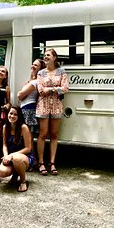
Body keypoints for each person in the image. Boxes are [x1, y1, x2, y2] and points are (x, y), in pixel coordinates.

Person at [36, 48, 69, 176]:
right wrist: (56, 89)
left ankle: (52, 162)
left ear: (54, 58)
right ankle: (41, 162)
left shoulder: (61, 71)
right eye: (44, 55)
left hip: (56, 105)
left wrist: (50, 89)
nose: (45, 57)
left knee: (54, 134)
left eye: (48, 55)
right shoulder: (41, 73)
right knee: (43, 134)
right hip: (43, 105)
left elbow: (65, 88)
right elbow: (40, 90)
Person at [0, 106, 34, 192]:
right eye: (10, 113)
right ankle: (15, 175)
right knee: (2, 172)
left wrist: (11, 155)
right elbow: (5, 145)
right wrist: (6, 156)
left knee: (17, 158)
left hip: (25, 157)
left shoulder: (23, 127)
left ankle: (23, 182)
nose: (12, 116)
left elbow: (28, 148)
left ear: (19, 116)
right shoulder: (5, 127)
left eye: (15, 114)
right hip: (10, 156)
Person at [17, 59, 45, 166]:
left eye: (36, 65)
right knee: (28, 136)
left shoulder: (34, 82)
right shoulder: (32, 81)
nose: (33, 66)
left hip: (28, 108)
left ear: (40, 69)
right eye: (32, 64)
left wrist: (20, 93)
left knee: (28, 137)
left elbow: (20, 95)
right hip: (27, 107)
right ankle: (33, 160)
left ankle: (33, 161)